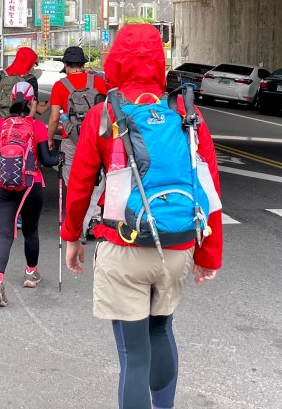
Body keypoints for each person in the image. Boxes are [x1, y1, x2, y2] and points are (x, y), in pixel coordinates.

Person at [61, 24, 223, 409]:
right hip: (176, 245)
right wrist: (208, 253)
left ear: (116, 60)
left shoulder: (104, 114)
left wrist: (71, 237)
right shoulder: (185, 113)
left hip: (123, 244)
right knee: (162, 332)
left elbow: (80, 184)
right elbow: (209, 187)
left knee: (133, 355)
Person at [0, 81, 59, 307]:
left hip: (3, 184)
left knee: (4, 234)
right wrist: (60, 158)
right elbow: (46, 161)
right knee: (31, 231)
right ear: (32, 102)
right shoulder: (37, 127)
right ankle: (30, 274)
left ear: (11, 99)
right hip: (31, 184)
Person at [48, 45, 108, 234]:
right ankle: (94, 218)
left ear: (66, 65)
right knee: (96, 176)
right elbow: (107, 110)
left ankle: (79, 217)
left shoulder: (60, 85)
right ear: (83, 64)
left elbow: (54, 118)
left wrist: (49, 139)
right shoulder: (98, 82)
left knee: (73, 178)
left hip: (71, 140)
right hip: (96, 138)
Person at [0, 47, 41, 129]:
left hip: (0, 123)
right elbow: (33, 105)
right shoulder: (31, 80)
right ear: (29, 62)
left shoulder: (1, 75)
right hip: (22, 125)